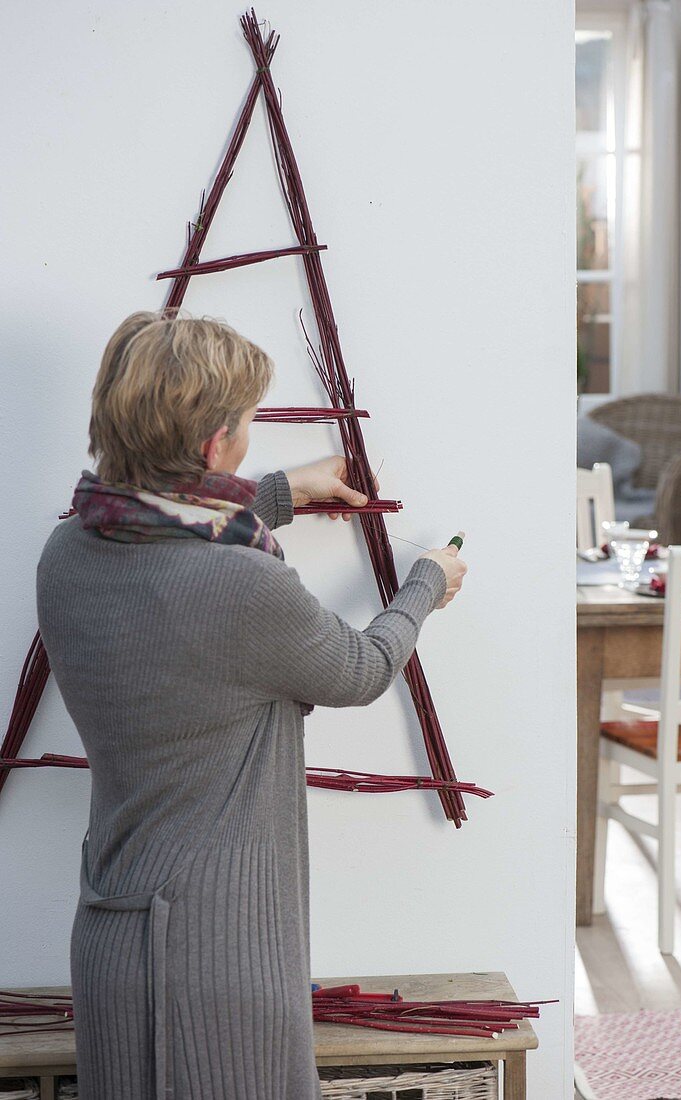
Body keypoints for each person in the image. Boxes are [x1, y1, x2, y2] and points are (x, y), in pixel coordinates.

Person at [36, 309, 467, 1100]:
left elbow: (161, 543)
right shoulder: (239, 586)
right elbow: (362, 668)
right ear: (212, 446)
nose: (248, 436)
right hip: (212, 963)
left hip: (109, 941)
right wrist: (427, 584)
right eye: (245, 424)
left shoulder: (67, 552)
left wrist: (279, 494)